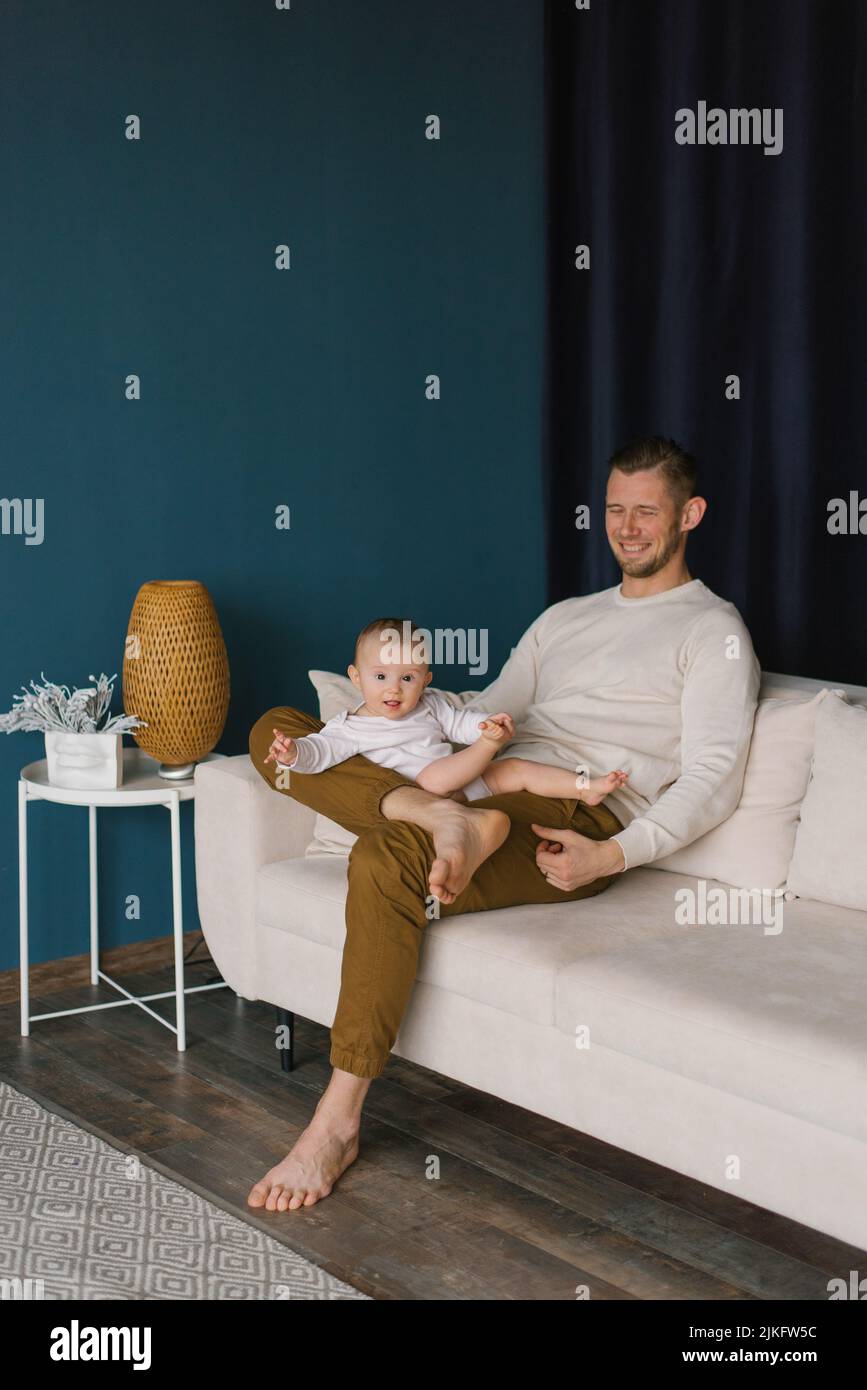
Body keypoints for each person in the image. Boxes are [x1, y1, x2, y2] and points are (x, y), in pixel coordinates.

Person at [246, 435, 761, 1212]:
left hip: (570, 810)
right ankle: (431, 814)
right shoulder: (565, 618)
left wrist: (612, 857)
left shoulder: (711, 631)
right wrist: (389, 720)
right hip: (482, 781)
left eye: (645, 511)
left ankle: (335, 1121)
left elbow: (714, 779)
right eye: (614, 508)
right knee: (271, 732)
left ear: (688, 514)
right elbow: (488, 711)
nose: (625, 527)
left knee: (387, 858)